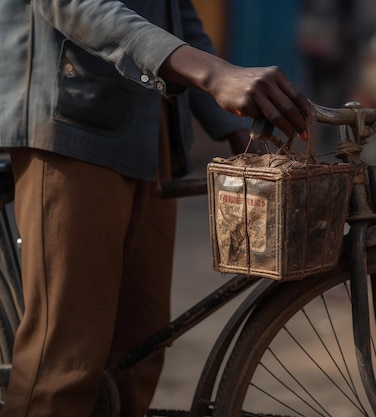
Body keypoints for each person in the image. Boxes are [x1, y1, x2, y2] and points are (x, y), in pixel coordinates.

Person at [0, 0, 313, 416]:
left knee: (137, 357)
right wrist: (212, 73)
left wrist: (234, 125)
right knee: (65, 368)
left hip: (150, 133)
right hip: (70, 125)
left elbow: (174, 12)